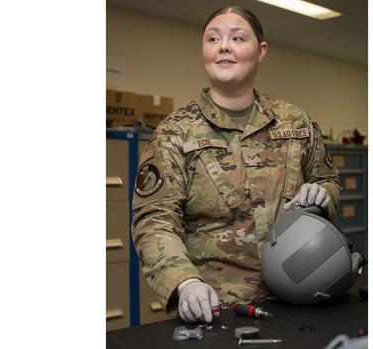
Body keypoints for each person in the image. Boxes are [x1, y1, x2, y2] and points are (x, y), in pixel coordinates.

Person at [131, 6, 342, 324]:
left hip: (300, 298)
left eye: (237, 37)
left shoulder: (295, 121)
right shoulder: (175, 132)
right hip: (217, 308)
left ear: (261, 51)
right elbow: (154, 221)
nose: (223, 46)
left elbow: (329, 180)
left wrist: (323, 194)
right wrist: (184, 282)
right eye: (213, 38)